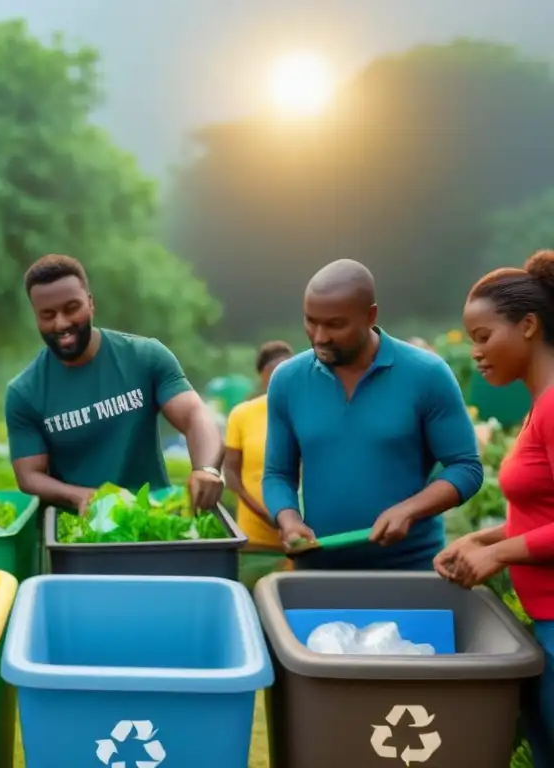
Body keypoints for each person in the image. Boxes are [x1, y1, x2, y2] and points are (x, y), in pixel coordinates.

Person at [263, 259, 483, 570]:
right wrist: (288, 519)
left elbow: (465, 467)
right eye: (311, 321)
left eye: (336, 324)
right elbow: (277, 474)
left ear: (371, 315)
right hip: (319, 571)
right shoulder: (288, 380)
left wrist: (410, 510)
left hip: (410, 568)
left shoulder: (427, 374)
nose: (320, 336)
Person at [434, 250, 554, 764]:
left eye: (484, 337)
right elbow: (542, 513)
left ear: (528, 326)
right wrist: (482, 539)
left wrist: (500, 556)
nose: (476, 353)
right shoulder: (538, 406)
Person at [4, 254, 224, 513]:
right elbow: (29, 475)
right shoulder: (24, 392)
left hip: (155, 518)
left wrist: (206, 469)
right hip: (78, 535)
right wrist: (82, 496)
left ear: (90, 304)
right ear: (36, 317)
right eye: (48, 314)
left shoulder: (145, 357)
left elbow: (194, 414)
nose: (61, 323)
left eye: (72, 308)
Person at [223, 341, 294, 554]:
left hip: (301, 538)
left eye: (288, 371)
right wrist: (267, 516)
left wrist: (290, 518)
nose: (281, 379)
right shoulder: (242, 414)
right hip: (254, 539)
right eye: (274, 372)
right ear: (262, 376)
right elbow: (231, 474)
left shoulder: (308, 412)